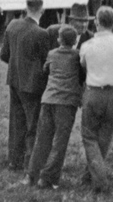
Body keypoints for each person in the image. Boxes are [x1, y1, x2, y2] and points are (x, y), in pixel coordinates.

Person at [27, 25, 84, 189]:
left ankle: (33, 174)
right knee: (60, 141)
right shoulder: (77, 55)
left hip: (48, 99)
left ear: (59, 39)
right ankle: (48, 177)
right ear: (75, 41)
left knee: (42, 138)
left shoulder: (51, 54)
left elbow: (45, 70)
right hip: (66, 102)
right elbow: (82, 74)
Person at [79, 7, 113, 193]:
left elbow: (83, 64)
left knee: (89, 136)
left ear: (96, 22)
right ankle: (90, 174)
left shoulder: (87, 46)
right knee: (105, 134)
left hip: (94, 92)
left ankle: (99, 179)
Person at [2, 0, 51, 170]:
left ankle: (14, 160)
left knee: (16, 122)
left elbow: (3, 55)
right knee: (33, 125)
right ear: (42, 10)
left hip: (14, 80)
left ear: (26, 7)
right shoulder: (41, 33)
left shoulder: (13, 25)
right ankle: (30, 163)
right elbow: (47, 62)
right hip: (32, 85)